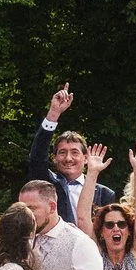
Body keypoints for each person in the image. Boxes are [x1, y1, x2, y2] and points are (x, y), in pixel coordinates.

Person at [26, 84, 118, 221]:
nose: (68, 158)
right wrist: (53, 113)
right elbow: (37, 158)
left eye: (75, 152)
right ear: (55, 158)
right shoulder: (47, 184)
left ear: (86, 158)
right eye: (62, 152)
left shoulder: (104, 194)